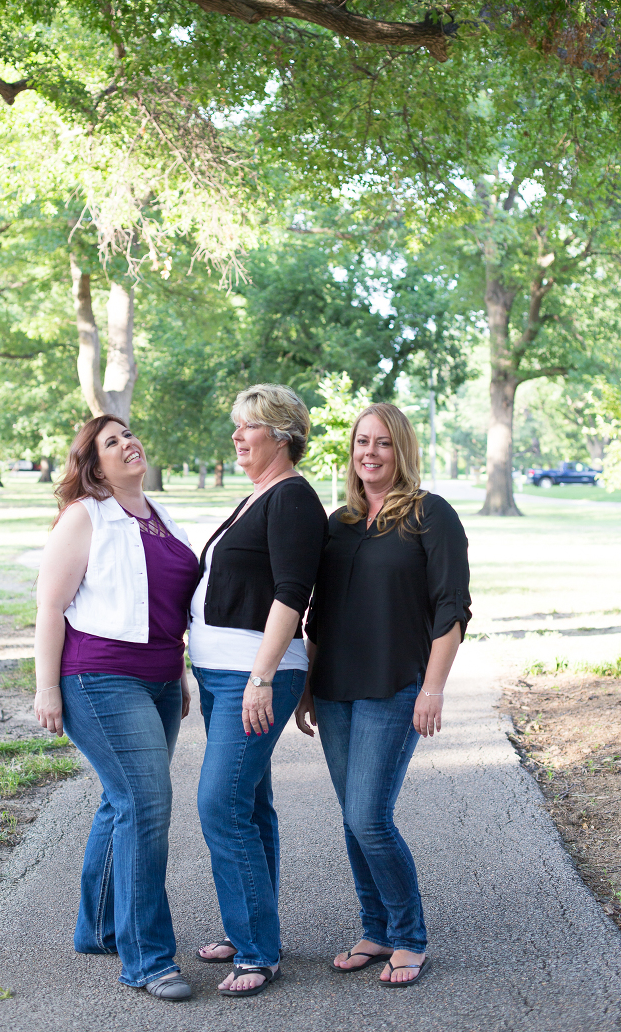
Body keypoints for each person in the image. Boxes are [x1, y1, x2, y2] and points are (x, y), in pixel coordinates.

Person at [296, 403, 471, 988]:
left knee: (369, 816)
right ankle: (374, 929)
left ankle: (409, 937)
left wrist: (434, 688)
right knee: (353, 818)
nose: (369, 453)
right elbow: (320, 613)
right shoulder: (339, 522)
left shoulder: (430, 515)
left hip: (396, 687)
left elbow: (452, 610)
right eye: (361, 442)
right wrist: (305, 685)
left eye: (383, 444)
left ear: (403, 451)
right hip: (336, 687)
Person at [33, 414, 200, 1002]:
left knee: (122, 802)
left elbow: (166, 608)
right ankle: (148, 959)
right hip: (98, 680)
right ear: (93, 464)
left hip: (156, 681)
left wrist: (177, 671)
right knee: (147, 806)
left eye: (128, 434)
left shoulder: (159, 516)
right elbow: (50, 606)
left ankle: (100, 929)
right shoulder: (87, 516)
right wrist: (46, 687)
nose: (128, 443)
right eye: (111, 441)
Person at [190, 384, 328, 997]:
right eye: (236, 427)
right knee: (247, 805)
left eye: (247, 427)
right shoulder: (256, 497)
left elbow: (292, 592)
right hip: (222, 672)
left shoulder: (293, 498)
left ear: (281, 434)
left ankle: (256, 950)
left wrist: (264, 677)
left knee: (220, 804)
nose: (237, 438)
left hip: (254, 673)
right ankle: (251, 926)